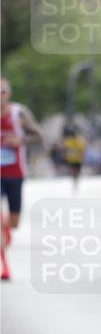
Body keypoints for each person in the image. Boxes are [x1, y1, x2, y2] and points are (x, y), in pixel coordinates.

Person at [1, 78, 43, 279]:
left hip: (15, 173)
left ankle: (5, 233)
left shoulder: (19, 114)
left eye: (3, 92)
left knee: (14, 222)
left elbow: (39, 135)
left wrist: (20, 140)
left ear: (9, 94)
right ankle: (4, 263)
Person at [62, 125, 87, 191]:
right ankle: (75, 180)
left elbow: (81, 149)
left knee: (76, 170)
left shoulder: (75, 141)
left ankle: (75, 180)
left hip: (75, 158)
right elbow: (66, 149)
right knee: (75, 170)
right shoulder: (73, 141)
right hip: (74, 158)